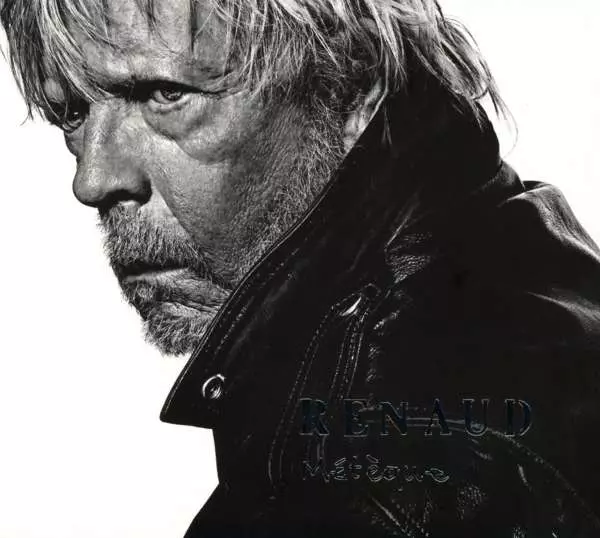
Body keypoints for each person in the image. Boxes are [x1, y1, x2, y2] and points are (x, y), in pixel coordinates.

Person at [3, 0, 600, 535]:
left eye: (165, 93)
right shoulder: (523, 254)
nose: (92, 179)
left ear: (352, 87)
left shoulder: (381, 483)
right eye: (72, 112)